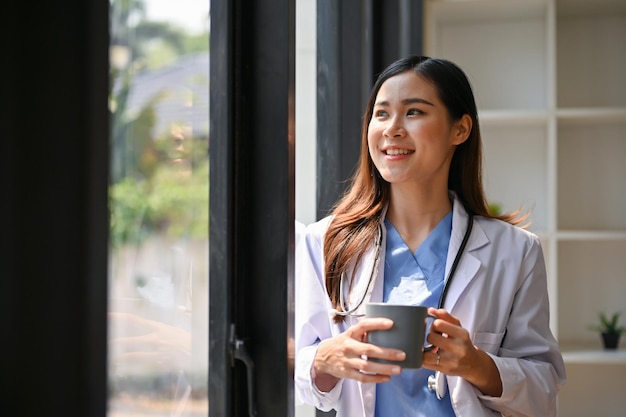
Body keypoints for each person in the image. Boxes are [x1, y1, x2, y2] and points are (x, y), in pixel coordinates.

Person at [294, 56, 566, 417]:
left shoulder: (515, 252)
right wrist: (324, 359)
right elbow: (304, 378)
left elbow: (544, 391)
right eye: (381, 113)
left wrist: (476, 365)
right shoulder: (324, 241)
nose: (391, 129)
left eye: (414, 112)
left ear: (460, 129)